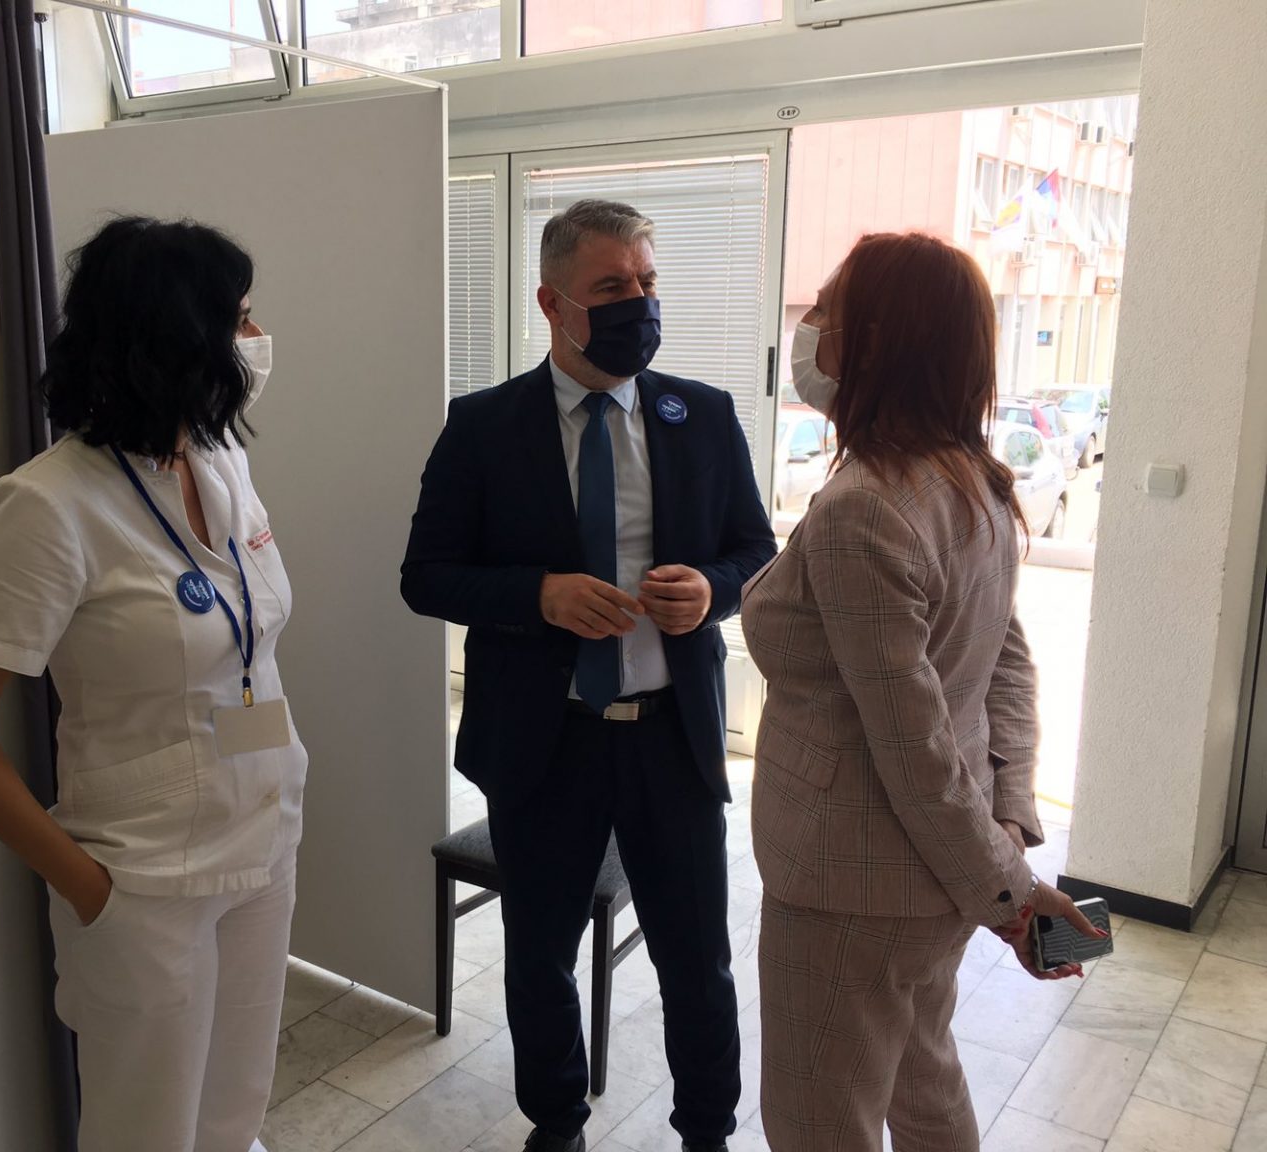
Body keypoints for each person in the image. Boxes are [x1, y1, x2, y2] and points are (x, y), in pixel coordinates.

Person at [0, 217, 303, 1152]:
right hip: (144, 881)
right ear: (177, 338)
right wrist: (89, 887)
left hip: (265, 838)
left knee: (234, 1111)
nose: (256, 340)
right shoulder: (45, 507)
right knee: (147, 1133)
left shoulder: (221, 459)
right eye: (239, 320)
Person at [403, 199, 776, 1152]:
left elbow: (756, 551)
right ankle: (556, 1124)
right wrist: (538, 595)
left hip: (671, 736)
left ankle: (706, 1133)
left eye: (647, 282)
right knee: (539, 961)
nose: (638, 303)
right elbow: (426, 576)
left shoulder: (703, 415)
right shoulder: (483, 426)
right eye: (612, 286)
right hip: (545, 742)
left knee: (698, 963)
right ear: (552, 302)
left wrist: (713, 589)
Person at [741, 231, 1105, 1152]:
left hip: (849, 890)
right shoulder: (975, 482)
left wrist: (1012, 893)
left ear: (875, 341)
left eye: (827, 312)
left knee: (820, 1123)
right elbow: (1007, 667)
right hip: (929, 884)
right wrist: (1008, 819)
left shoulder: (866, 506)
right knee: (922, 1083)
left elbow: (915, 750)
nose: (811, 331)